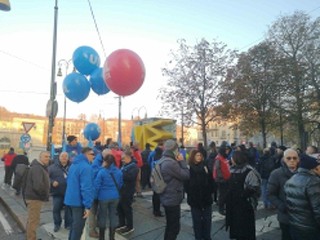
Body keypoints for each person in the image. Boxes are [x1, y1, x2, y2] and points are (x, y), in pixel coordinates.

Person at [225, 150, 261, 240]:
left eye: (232, 158)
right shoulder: (232, 170)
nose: (231, 159)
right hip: (233, 206)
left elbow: (255, 187)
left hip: (245, 206)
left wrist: (242, 195)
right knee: (236, 230)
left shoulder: (250, 171)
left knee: (246, 231)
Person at [284, 154, 320, 240]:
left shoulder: (290, 180)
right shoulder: (313, 181)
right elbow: (318, 208)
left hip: (295, 225)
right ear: (314, 168)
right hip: (311, 228)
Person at [160, 139, 190, 240]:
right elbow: (185, 175)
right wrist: (182, 161)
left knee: (169, 226)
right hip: (172, 198)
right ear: (174, 150)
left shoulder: (162, 160)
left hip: (166, 196)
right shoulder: (171, 163)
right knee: (174, 228)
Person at [267, 148, 299, 240]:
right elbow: (270, 194)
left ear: (298, 159)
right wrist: (281, 206)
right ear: (284, 159)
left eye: (294, 158)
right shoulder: (276, 174)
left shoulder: (304, 172)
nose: (292, 160)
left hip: (303, 217)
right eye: (289, 158)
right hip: (286, 216)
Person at [64, 147, 95, 240]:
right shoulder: (86, 167)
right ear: (86, 154)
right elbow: (86, 188)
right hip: (79, 202)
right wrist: (88, 206)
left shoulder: (74, 165)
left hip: (70, 200)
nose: (94, 157)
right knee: (77, 229)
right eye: (92, 154)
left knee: (74, 227)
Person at [185, 149, 214, 240]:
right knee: (197, 222)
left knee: (207, 221)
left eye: (200, 155)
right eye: (197, 155)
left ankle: (207, 237)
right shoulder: (189, 168)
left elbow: (212, 182)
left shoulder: (205, 167)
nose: (199, 157)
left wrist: (210, 191)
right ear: (192, 157)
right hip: (195, 200)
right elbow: (186, 185)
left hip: (206, 199)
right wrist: (191, 193)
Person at [94, 154, 123, 240]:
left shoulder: (102, 172)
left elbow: (97, 185)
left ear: (105, 162)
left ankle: (102, 237)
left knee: (102, 216)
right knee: (113, 215)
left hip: (103, 197)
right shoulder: (118, 171)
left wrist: (95, 197)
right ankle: (112, 237)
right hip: (115, 196)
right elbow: (120, 184)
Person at [24, 151, 50, 240]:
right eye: (45, 156)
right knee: (34, 221)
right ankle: (31, 238)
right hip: (35, 198)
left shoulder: (40, 167)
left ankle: (30, 237)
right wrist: (44, 195)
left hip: (34, 197)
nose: (48, 158)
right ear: (40, 157)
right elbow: (37, 185)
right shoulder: (37, 168)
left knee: (32, 220)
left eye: (49, 157)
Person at [89, 148, 112, 238]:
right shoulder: (97, 162)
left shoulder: (107, 160)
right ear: (104, 155)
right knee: (93, 211)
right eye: (109, 155)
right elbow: (93, 173)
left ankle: (98, 224)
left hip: (103, 190)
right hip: (95, 190)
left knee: (101, 210)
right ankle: (92, 230)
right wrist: (102, 167)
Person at [116, 145, 139, 235]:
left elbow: (131, 177)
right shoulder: (125, 165)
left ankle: (130, 226)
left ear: (129, 157)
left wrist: (120, 174)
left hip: (128, 191)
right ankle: (122, 224)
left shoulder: (133, 166)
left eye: (123, 158)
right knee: (120, 208)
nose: (122, 160)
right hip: (122, 190)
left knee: (127, 209)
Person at [48, 151, 72, 232]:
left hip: (69, 193)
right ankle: (57, 224)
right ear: (59, 157)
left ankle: (68, 224)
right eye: (62, 156)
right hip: (57, 192)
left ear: (68, 158)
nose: (64, 158)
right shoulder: (52, 167)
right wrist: (52, 182)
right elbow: (46, 177)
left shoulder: (72, 167)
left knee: (68, 210)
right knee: (56, 209)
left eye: (66, 156)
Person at [213, 145, 231, 215]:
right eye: (226, 150)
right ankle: (221, 208)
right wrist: (222, 177)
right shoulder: (219, 159)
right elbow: (217, 169)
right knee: (222, 194)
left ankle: (223, 207)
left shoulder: (223, 158)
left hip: (225, 178)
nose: (227, 152)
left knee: (224, 194)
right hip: (222, 180)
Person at [149, 144, 165, 217]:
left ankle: (155, 210)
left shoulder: (153, 155)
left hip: (153, 176)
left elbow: (148, 160)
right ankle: (157, 211)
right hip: (160, 178)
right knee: (159, 194)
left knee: (155, 193)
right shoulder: (162, 159)